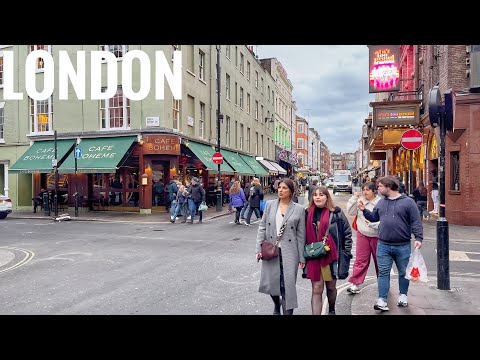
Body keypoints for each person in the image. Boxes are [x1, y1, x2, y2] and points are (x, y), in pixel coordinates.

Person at [357, 176, 423, 312]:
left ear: (389, 186)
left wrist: (418, 238)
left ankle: (403, 295)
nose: (378, 189)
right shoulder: (381, 203)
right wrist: (364, 210)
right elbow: (374, 217)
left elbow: (416, 221)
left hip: (402, 245)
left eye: (380, 186)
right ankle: (382, 299)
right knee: (383, 273)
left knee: (403, 273)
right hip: (383, 244)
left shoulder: (408, 203)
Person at [255, 178, 306, 315]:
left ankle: (286, 312)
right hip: (272, 250)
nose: (281, 190)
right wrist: (258, 249)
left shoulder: (299, 209)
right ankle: (277, 305)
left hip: (290, 253)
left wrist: (302, 257)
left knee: (287, 286)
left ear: (291, 191)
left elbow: (301, 235)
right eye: (279, 187)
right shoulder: (270, 205)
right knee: (273, 284)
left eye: (284, 188)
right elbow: (262, 227)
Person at [305, 186, 352, 315]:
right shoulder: (307, 213)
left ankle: (331, 309)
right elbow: (300, 235)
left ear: (327, 197)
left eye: (321, 195)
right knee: (317, 288)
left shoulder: (336, 213)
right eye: (315, 195)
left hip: (331, 257)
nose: (317, 197)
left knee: (331, 288)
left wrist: (346, 253)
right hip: (314, 256)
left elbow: (347, 233)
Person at [345, 182, 381, 294]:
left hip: (378, 236)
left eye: (368, 190)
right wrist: (354, 198)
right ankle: (355, 283)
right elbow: (350, 212)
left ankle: (383, 283)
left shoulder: (380, 202)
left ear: (374, 191)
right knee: (360, 260)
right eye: (364, 189)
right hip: (362, 234)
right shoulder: (360, 201)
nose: (365, 192)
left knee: (380, 261)